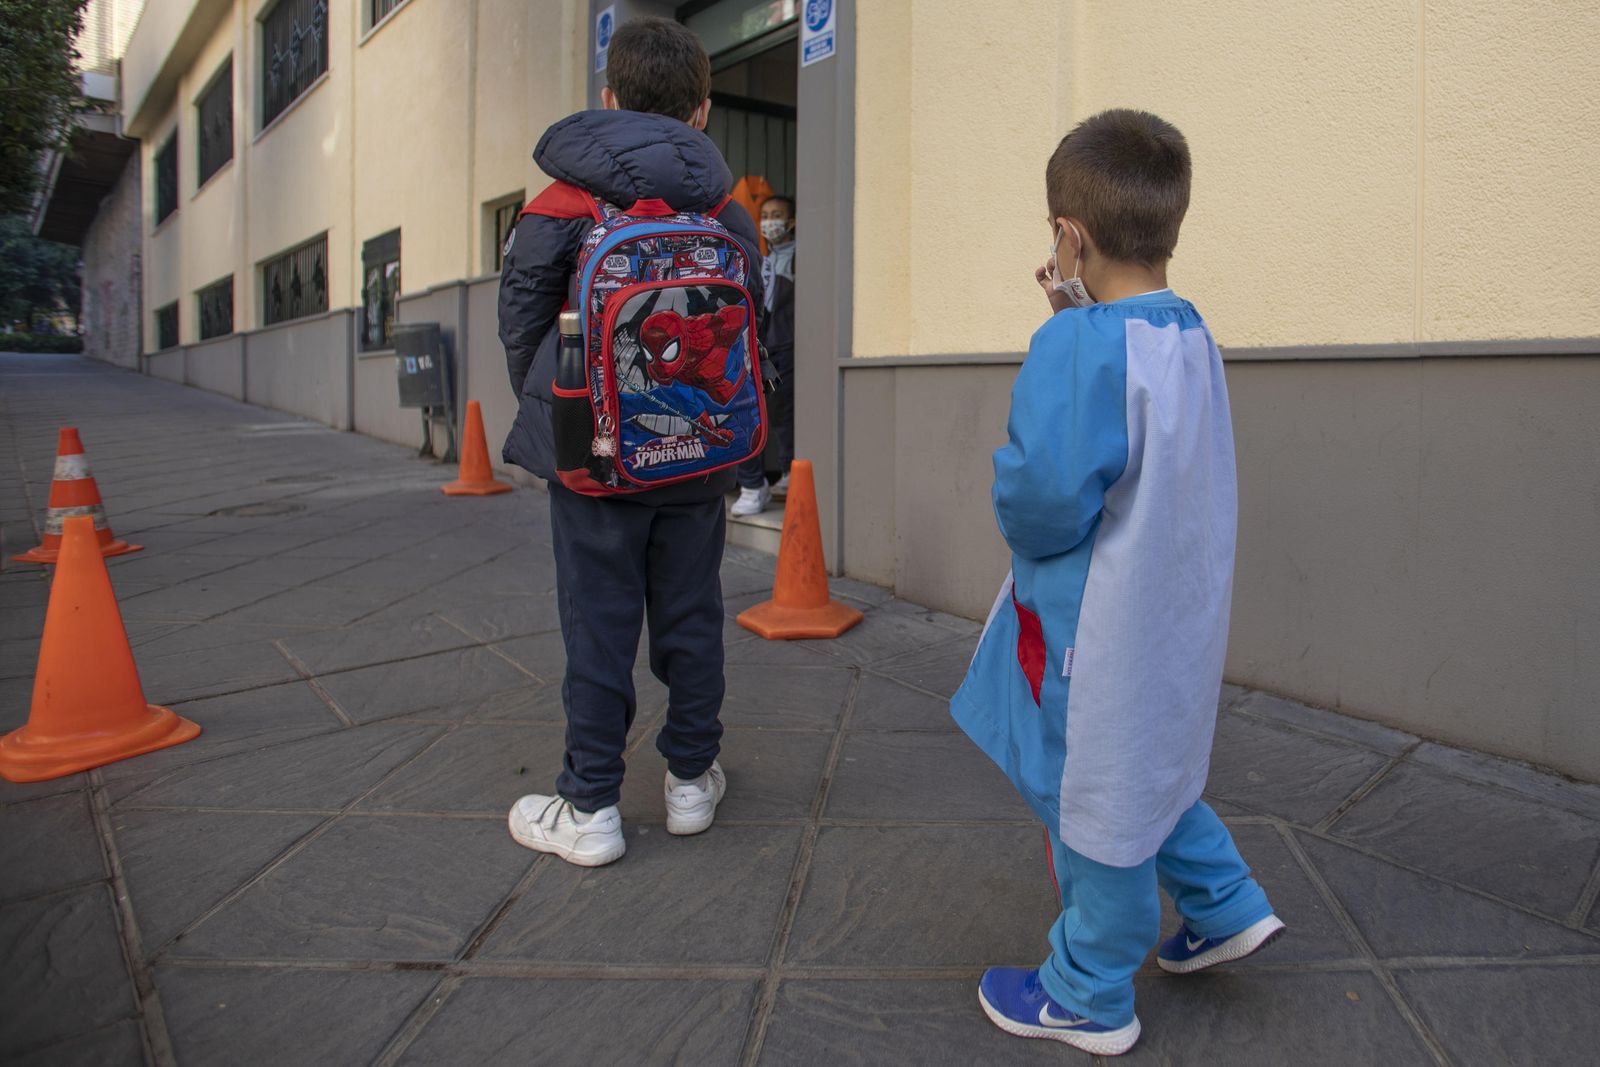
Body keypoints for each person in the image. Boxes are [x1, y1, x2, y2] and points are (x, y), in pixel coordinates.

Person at [952, 109, 1283, 1056]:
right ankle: (1223, 903)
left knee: (1086, 789)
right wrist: (1080, 319)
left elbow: (1043, 499)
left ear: (1069, 235)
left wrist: (1063, 341)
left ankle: (1089, 988)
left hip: (1085, 627)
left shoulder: (1077, 346)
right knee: (1155, 765)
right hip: (1170, 613)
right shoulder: (1187, 329)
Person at [497, 15, 764, 868]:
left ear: (608, 97)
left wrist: (566, 413)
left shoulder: (560, 201)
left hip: (593, 458)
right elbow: (748, 322)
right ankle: (691, 781)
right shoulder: (727, 208)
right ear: (703, 111)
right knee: (692, 613)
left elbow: (521, 324)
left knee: (598, 624)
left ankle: (591, 805)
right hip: (698, 445)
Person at [732, 195, 796, 516]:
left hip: (789, 346)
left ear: (792, 222)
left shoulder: (799, 258)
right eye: (765, 215)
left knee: (784, 413)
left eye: (777, 215)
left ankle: (786, 471)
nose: (770, 221)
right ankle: (753, 485)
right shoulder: (760, 259)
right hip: (762, 347)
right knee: (754, 413)